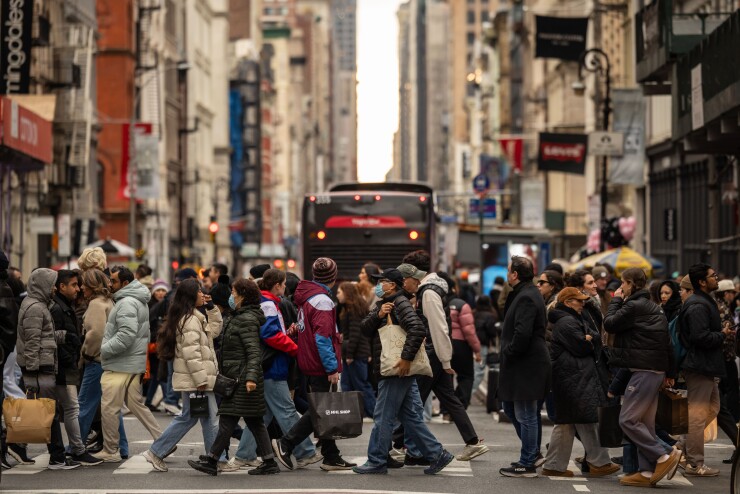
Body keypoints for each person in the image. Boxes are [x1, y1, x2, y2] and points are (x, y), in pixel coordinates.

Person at [354, 268, 454, 475]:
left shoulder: (400, 303)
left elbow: (418, 329)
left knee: (383, 416)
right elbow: (364, 328)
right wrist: (379, 315)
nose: (379, 285)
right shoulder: (384, 305)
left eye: (382, 281)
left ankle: (376, 460)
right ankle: (437, 454)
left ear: (393, 285)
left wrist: (405, 359)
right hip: (395, 370)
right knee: (411, 417)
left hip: (395, 370)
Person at [397, 251, 488, 462]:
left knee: (413, 401)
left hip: (433, 355)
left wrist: (445, 360)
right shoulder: (433, 288)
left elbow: (438, 328)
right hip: (437, 354)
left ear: (414, 274)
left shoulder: (428, 293)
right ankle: (472, 442)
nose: (404, 283)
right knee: (449, 399)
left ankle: (396, 443)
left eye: (406, 278)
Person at [228, 269, 321, 471]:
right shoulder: (269, 304)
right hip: (273, 366)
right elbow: (270, 334)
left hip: (268, 365)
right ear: (277, 284)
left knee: (263, 415)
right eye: (284, 283)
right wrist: (295, 348)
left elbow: (271, 333)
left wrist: (286, 337)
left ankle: (244, 455)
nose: (285, 287)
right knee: (286, 411)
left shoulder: (267, 302)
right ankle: (305, 452)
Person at [188, 278, 279, 476]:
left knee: (230, 420)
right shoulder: (239, 316)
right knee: (253, 421)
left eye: (234, 293)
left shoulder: (246, 319)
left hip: (243, 379)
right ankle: (268, 461)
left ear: (243, 296)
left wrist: (251, 378)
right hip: (237, 378)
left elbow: (253, 352)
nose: (232, 296)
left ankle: (212, 460)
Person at [272, 257, 356, 472]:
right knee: (321, 410)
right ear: (333, 277)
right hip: (320, 363)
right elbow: (323, 337)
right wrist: (331, 367)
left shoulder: (307, 297)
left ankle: (331, 455)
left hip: (307, 360)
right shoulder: (323, 301)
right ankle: (286, 443)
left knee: (323, 408)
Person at [604, 267, 680, 487]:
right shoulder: (655, 308)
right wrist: (671, 373)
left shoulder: (633, 306)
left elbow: (610, 324)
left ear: (632, 284)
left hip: (643, 371)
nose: (621, 288)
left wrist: (616, 301)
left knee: (627, 419)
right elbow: (668, 344)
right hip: (655, 371)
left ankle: (664, 455)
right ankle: (647, 472)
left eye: (623, 284)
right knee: (645, 424)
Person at [142, 279, 222, 472]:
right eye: (200, 292)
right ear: (190, 296)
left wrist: (212, 308)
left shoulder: (194, 317)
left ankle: (215, 458)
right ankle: (214, 458)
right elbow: (191, 353)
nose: (203, 295)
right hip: (196, 380)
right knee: (200, 418)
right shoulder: (190, 320)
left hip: (196, 379)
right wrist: (201, 380)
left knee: (197, 418)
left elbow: (215, 332)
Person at [541, 288, 619, 478]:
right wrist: (588, 341)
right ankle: (598, 462)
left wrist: (589, 339)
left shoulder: (572, 319)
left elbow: (594, 337)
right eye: (579, 301)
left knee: (570, 422)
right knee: (584, 419)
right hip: (574, 377)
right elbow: (582, 346)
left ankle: (555, 465)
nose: (583, 303)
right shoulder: (567, 322)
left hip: (575, 376)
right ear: (568, 302)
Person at [95, 266, 163, 462]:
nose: (109, 284)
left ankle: (110, 450)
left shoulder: (126, 302)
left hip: (120, 363)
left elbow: (126, 335)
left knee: (109, 408)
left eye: (113, 281)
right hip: (131, 362)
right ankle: (163, 440)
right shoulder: (135, 299)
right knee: (135, 404)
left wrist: (104, 349)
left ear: (125, 283)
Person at [16, 269, 80, 470]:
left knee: (47, 412)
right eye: (51, 284)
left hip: (42, 368)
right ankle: (56, 457)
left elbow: (45, 335)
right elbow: (32, 342)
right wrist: (33, 374)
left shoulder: (40, 306)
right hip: (40, 371)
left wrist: (65, 336)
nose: (54, 288)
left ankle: (50, 454)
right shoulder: (35, 307)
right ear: (43, 285)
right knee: (48, 413)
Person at [679, 263, 734, 476]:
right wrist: (722, 334)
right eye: (713, 276)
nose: (717, 278)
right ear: (702, 282)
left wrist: (720, 333)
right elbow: (699, 337)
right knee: (698, 416)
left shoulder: (702, 301)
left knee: (713, 408)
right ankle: (694, 463)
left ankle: (681, 447)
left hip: (706, 366)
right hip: (699, 366)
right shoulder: (698, 306)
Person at [497, 256, 551, 478]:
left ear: (515, 274)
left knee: (527, 413)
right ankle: (532, 454)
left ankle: (527, 461)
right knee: (511, 408)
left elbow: (523, 334)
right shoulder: (525, 293)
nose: (508, 274)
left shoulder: (527, 296)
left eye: (509, 270)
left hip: (527, 364)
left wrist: (508, 353)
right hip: (523, 363)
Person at [49, 270, 101, 466]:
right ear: (62, 286)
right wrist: (70, 357)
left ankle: (74, 450)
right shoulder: (58, 309)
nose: (78, 289)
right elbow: (54, 339)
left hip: (65, 365)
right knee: (71, 408)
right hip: (63, 367)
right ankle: (75, 450)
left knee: (70, 408)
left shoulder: (64, 306)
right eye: (73, 285)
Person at [77, 269, 129, 460]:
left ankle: (75, 445)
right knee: (112, 407)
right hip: (111, 361)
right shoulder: (110, 301)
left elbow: (95, 334)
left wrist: (85, 354)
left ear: (92, 285)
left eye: (83, 284)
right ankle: (123, 447)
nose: (81, 288)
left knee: (84, 405)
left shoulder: (96, 304)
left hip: (97, 361)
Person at [438, 272, 481, 409]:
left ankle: (445, 410)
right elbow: (469, 331)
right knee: (466, 376)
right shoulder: (461, 305)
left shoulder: (436, 303)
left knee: (445, 378)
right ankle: (459, 406)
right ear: (454, 288)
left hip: (442, 343)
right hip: (461, 345)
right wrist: (477, 350)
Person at [337, 281, 375, 418]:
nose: (337, 295)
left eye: (339, 292)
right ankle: (353, 413)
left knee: (360, 384)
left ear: (347, 293)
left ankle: (373, 412)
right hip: (356, 352)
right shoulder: (350, 307)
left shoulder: (353, 309)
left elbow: (355, 333)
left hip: (356, 353)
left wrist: (349, 355)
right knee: (348, 384)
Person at [471, 295, 498, 398]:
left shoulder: (473, 313)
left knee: (474, 370)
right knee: (479, 371)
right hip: (482, 344)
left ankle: (466, 393)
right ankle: (468, 394)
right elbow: (492, 332)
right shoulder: (490, 315)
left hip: (471, 343)